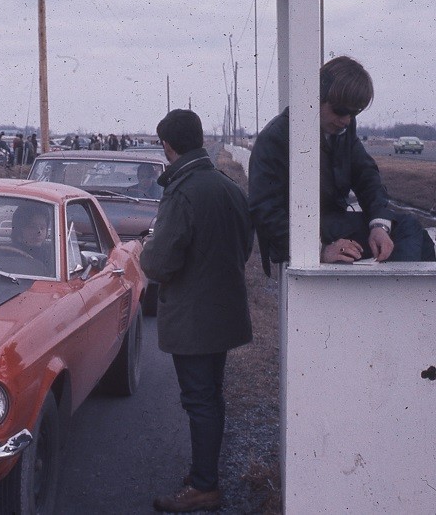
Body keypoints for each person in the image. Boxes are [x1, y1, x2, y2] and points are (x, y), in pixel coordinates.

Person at [141, 109, 253, 513]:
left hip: (193, 318)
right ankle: (205, 472)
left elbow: (159, 264)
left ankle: (204, 485)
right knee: (211, 396)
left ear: (168, 145)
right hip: (223, 311)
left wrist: (145, 251)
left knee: (199, 400)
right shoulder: (226, 187)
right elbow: (244, 248)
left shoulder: (182, 190)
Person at [249, 55, 436, 276]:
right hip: (296, 232)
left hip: (328, 223)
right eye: (340, 110)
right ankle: (396, 302)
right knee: (408, 229)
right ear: (317, 95)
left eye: (354, 113)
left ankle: (398, 303)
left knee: (409, 231)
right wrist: (318, 251)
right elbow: (265, 210)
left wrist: (379, 226)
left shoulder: (342, 130)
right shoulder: (276, 137)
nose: (346, 119)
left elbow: (366, 176)